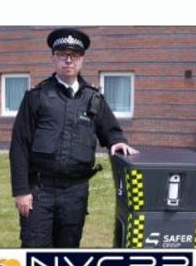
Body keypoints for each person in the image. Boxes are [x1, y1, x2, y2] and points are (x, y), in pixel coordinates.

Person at [9, 27, 138, 248]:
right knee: (34, 250)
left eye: (75, 55)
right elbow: (19, 145)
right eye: (62, 54)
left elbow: (111, 130)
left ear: (82, 60)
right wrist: (21, 191)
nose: (68, 60)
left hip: (75, 193)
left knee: (68, 250)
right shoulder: (36, 97)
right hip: (40, 191)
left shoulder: (93, 99)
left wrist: (118, 141)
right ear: (53, 58)